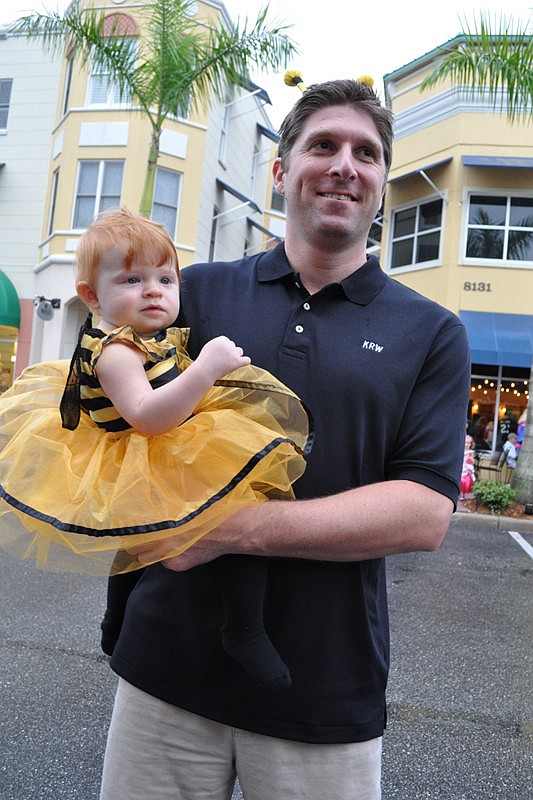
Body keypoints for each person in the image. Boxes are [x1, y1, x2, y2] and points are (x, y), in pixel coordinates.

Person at [98, 79, 471, 800]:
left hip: (324, 690)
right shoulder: (191, 295)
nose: (344, 165)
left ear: (381, 184)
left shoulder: (430, 332)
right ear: (280, 170)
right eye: (322, 145)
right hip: (164, 671)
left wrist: (223, 530)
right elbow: (107, 424)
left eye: (365, 153)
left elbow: (423, 511)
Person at [0, 207, 312, 689]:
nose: (153, 290)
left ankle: (115, 621)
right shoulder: (116, 352)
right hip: (146, 446)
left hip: (155, 445)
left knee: (142, 534)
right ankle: (243, 627)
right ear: (91, 295)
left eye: (166, 279)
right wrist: (206, 369)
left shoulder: (145, 340)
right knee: (235, 511)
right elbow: (147, 416)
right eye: (131, 279)